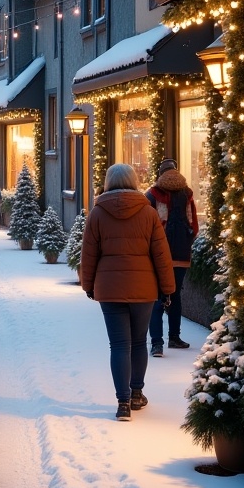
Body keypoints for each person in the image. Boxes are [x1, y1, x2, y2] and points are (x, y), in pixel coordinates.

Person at [80, 163, 175, 423]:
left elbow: (88, 254)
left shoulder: (98, 213)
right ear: (134, 181)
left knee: (119, 344)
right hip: (143, 288)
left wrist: (88, 284)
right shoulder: (148, 212)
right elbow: (161, 254)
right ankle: (136, 393)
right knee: (138, 342)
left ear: (109, 182)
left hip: (109, 288)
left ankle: (122, 403)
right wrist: (167, 288)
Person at [145, 158, 199, 357]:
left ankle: (157, 343)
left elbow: (146, 224)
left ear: (160, 174)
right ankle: (174, 337)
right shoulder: (188, 193)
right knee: (175, 295)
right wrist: (186, 243)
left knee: (157, 297)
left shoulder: (152, 194)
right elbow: (194, 225)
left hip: (158, 255)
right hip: (181, 255)